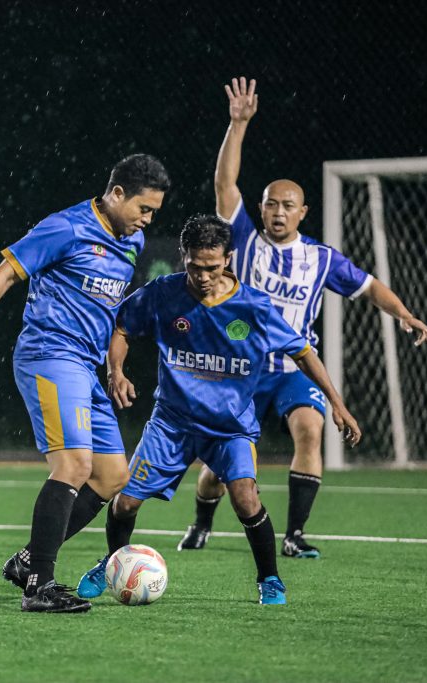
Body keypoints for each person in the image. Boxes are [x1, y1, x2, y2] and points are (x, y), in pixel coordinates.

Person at [179, 78, 427, 558]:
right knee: (220, 464)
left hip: (295, 368)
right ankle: (202, 522)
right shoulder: (244, 240)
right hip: (242, 369)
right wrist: (238, 125)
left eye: (287, 205)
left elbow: (370, 286)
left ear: (303, 212)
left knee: (310, 429)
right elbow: (224, 184)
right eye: (271, 203)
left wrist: (404, 314)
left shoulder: (320, 258)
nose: (277, 211)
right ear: (261, 209)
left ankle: (293, 535)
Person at [0, 155, 170, 613]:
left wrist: (114, 367)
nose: (147, 220)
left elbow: (111, 310)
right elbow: (3, 274)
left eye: (153, 212)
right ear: (116, 194)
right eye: (143, 209)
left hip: (87, 367)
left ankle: (27, 561)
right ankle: (40, 585)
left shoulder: (132, 241)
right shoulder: (65, 227)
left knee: (112, 477)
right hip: (49, 356)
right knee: (73, 464)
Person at [75, 214, 362, 605]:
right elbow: (122, 326)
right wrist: (116, 370)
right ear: (184, 257)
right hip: (171, 423)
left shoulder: (254, 306)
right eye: (195, 266)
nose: (203, 275)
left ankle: (270, 579)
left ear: (228, 258)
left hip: (230, 428)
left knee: (245, 497)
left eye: (212, 266)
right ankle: (112, 561)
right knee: (125, 502)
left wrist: (337, 403)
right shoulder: (164, 292)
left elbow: (303, 351)